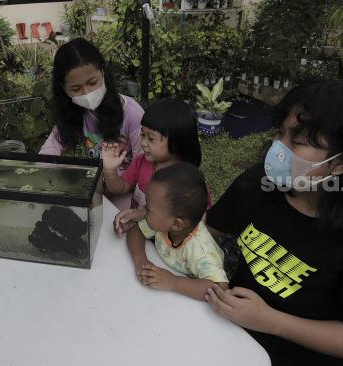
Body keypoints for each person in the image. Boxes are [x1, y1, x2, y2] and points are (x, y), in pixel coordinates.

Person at [204, 80, 343, 365]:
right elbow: (208, 230)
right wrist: (163, 218)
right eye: (280, 133)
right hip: (231, 337)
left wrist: (271, 321)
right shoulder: (260, 184)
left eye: (297, 142)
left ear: (342, 163)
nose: (278, 148)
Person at [126, 163, 228, 300]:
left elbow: (219, 288)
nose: (143, 210)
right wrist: (140, 259)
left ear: (176, 224)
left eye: (148, 208)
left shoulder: (201, 249)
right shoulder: (163, 223)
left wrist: (173, 282)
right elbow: (136, 231)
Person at [39, 38, 144, 166]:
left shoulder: (133, 115)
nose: (86, 93)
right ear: (64, 88)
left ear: (103, 72)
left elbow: (144, 169)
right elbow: (49, 152)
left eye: (92, 82)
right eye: (76, 89)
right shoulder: (73, 111)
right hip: (92, 184)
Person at [101, 98, 205, 209]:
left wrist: (142, 216)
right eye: (142, 135)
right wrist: (109, 170)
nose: (143, 143)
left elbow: (194, 219)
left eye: (151, 138)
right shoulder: (141, 161)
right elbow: (120, 188)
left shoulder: (188, 182)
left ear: (176, 143)